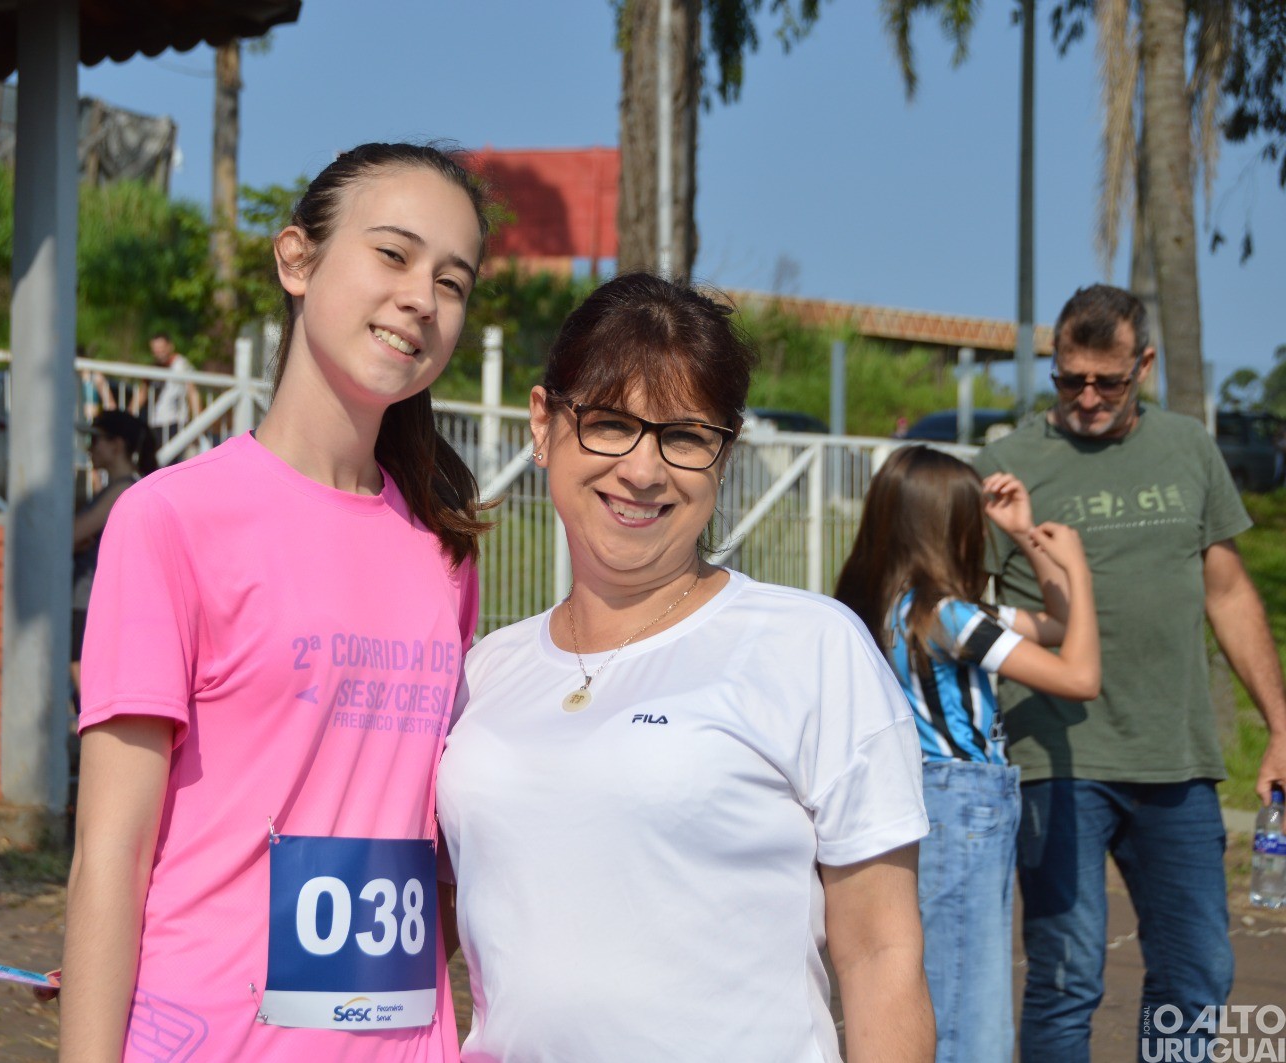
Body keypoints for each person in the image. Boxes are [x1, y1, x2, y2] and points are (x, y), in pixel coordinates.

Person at [59, 142, 492, 1062]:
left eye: (452, 282)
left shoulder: (446, 553)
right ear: (297, 259)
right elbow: (109, 853)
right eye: (393, 253)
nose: (422, 297)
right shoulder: (170, 521)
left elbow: (432, 852)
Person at [437, 273, 934, 1063]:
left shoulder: (811, 647)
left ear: (723, 454)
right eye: (609, 423)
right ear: (543, 423)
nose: (643, 470)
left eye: (685, 436)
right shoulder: (482, 674)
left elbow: (881, 954)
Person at [973, 283, 1286, 1061]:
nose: (1086, 396)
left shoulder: (1188, 448)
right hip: (1056, 759)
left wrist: (1281, 725)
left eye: (1107, 381)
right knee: (1068, 976)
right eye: (1069, 378)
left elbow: (1228, 591)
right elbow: (955, 603)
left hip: (1176, 758)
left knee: (1197, 971)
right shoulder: (1006, 465)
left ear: (1143, 365)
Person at [834, 445, 1100, 1063]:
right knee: (967, 1000)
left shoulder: (892, 607)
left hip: (927, 798)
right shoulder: (948, 616)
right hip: (961, 805)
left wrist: (1025, 533)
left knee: (940, 979)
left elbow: (1056, 625)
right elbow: (1080, 673)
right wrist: (1078, 570)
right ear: (947, 525)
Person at [70, 410, 157, 700]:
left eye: (95, 441)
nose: (89, 448)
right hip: (87, 597)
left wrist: (76, 540)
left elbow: (72, 535)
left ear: (117, 445)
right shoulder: (120, 488)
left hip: (90, 600)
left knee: (88, 694)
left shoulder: (123, 489)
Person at [131, 331, 202, 454]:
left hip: (175, 424)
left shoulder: (181, 365)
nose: (159, 353)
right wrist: (128, 415)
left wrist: (198, 424)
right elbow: (142, 392)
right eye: (155, 350)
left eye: (161, 349)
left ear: (170, 347)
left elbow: (193, 393)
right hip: (155, 424)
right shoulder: (153, 368)